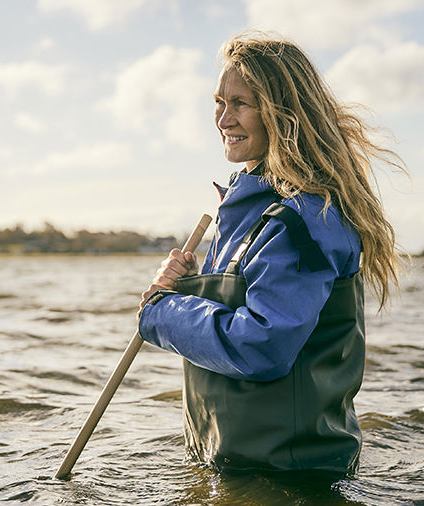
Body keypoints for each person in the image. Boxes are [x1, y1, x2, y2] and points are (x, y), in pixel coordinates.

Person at [136, 32, 405, 476]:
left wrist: (162, 314)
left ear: (283, 113)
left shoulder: (303, 219)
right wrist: (182, 286)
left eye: (240, 103)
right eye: (218, 103)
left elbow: (264, 346)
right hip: (231, 467)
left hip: (292, 477)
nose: (224, 119)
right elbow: (240, 302)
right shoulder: (248, 208)